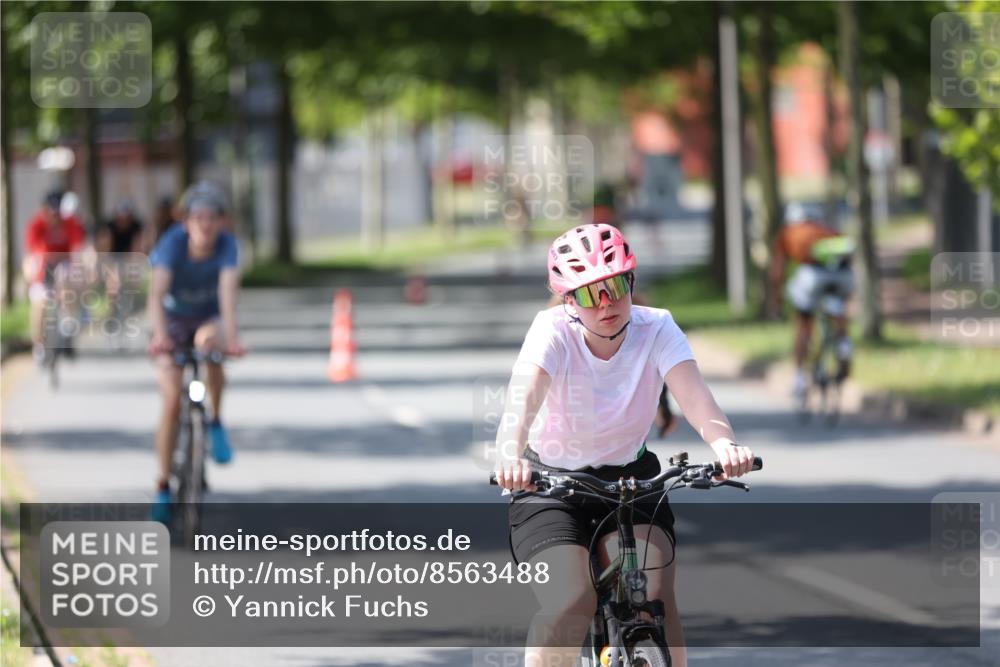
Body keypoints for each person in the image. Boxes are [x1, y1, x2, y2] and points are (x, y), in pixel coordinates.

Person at [494, 223, 756, 667]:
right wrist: (509, 457)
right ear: (567, 300)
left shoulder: (658, 328)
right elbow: (520, 409)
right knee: (571, 600)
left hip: (632, 479)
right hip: (551, 484)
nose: (605, 303)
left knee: (654, 595)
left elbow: (695, 396)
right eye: (588, 292)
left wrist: (725, 444)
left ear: (631, 281)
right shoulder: (551, 332)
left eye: (614, 285)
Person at [147, 181, 246, 523]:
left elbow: (227, 295)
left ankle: (215, 421)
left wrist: (231, 338)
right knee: (172, 398)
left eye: (212, 218)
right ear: (186, 221)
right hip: (172, 322)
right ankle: (163, 486)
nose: (205, 224)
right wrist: (160, 336)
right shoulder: (171, 244)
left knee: (211, 346)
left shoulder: (227, 247)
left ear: (221, 222)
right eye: (198, 217)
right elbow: (156, 296)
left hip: (206, 319)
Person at [768, 202, 855, 399]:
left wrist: (776, 301)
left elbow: (777, 272)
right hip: (843, 277)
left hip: (813, 276)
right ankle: (844, 345)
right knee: (839, 310)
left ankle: (799, 378)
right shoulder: (828, 231)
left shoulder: (788, 233)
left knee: (804, 321)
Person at [23, 190, 87, 361]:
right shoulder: (36, 224)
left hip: (64, 264)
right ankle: (38, 345)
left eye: (57, 211)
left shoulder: (70, 223)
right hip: (43, 266)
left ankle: (68, 324)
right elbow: (34, 252)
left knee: (67, 285)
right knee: (39, 305)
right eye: (50, 211)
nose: (54, 215)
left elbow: (77, 247)